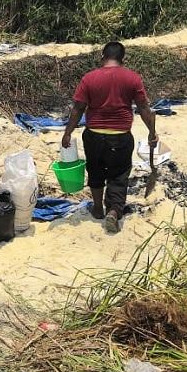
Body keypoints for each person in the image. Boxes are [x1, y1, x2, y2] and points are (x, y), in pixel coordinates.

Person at [61, 41, 157, 233]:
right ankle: (113, 210)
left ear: (102, 56)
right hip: (120, 136)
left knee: (95, 170)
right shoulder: (132, 78)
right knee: (119, 174)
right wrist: (152, 132)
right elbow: (144, 108)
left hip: (94, 135)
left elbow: (78, 108)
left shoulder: (89, 78)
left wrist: (68, 132)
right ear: (123, 58)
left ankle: (98, 208)